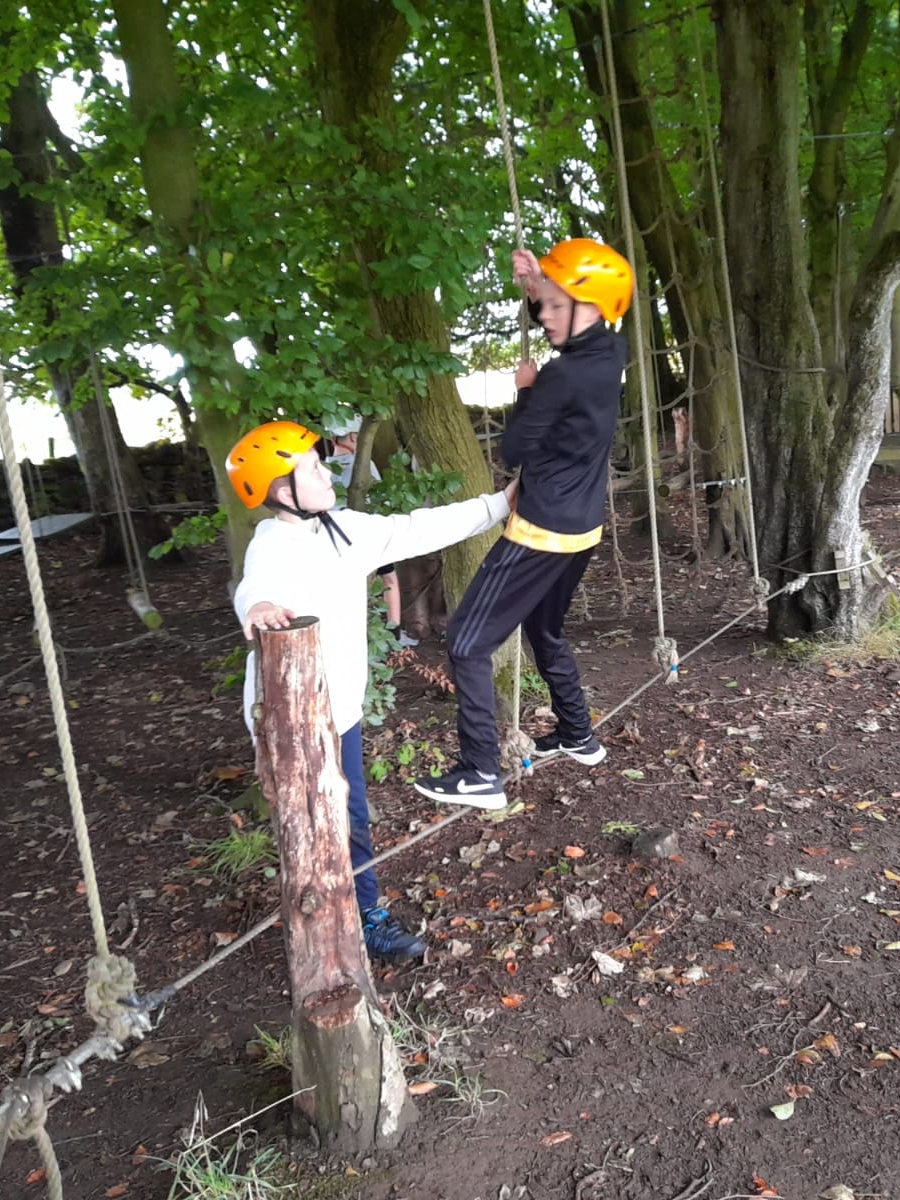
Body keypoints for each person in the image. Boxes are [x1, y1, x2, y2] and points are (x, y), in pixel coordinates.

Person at [229, 420, 516, 961]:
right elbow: (255, 586)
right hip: (292, 722)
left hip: (340, 708)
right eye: (312, 469)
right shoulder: (272, 544)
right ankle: (342, 925)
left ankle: (356, 915)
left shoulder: (343, 529)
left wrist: (500, 504)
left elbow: (419, 528)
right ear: (284, 494)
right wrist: (258, 606)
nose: (326, 472)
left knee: (347, 814)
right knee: (320, 819)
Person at [413, 238, 631, 810]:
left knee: (466, 641)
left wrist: (526, 392)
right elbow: (573, 323)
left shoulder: (560, 377)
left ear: (591, 308)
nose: (546, 316)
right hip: (583, 527)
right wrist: (539, 286)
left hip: (540, 530)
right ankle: (578, 734)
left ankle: (479, 772)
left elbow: (514, 450)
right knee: (544, 628)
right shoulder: (612, 351)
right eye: (546, 304)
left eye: (558, 307)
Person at [322, 415, 419, 649]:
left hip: (332, 539)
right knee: (389, 579)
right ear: (354, 437)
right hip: (368, 535)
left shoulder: (322, 469)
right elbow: (380, 503)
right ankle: (393, 635)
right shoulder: (365, 466)